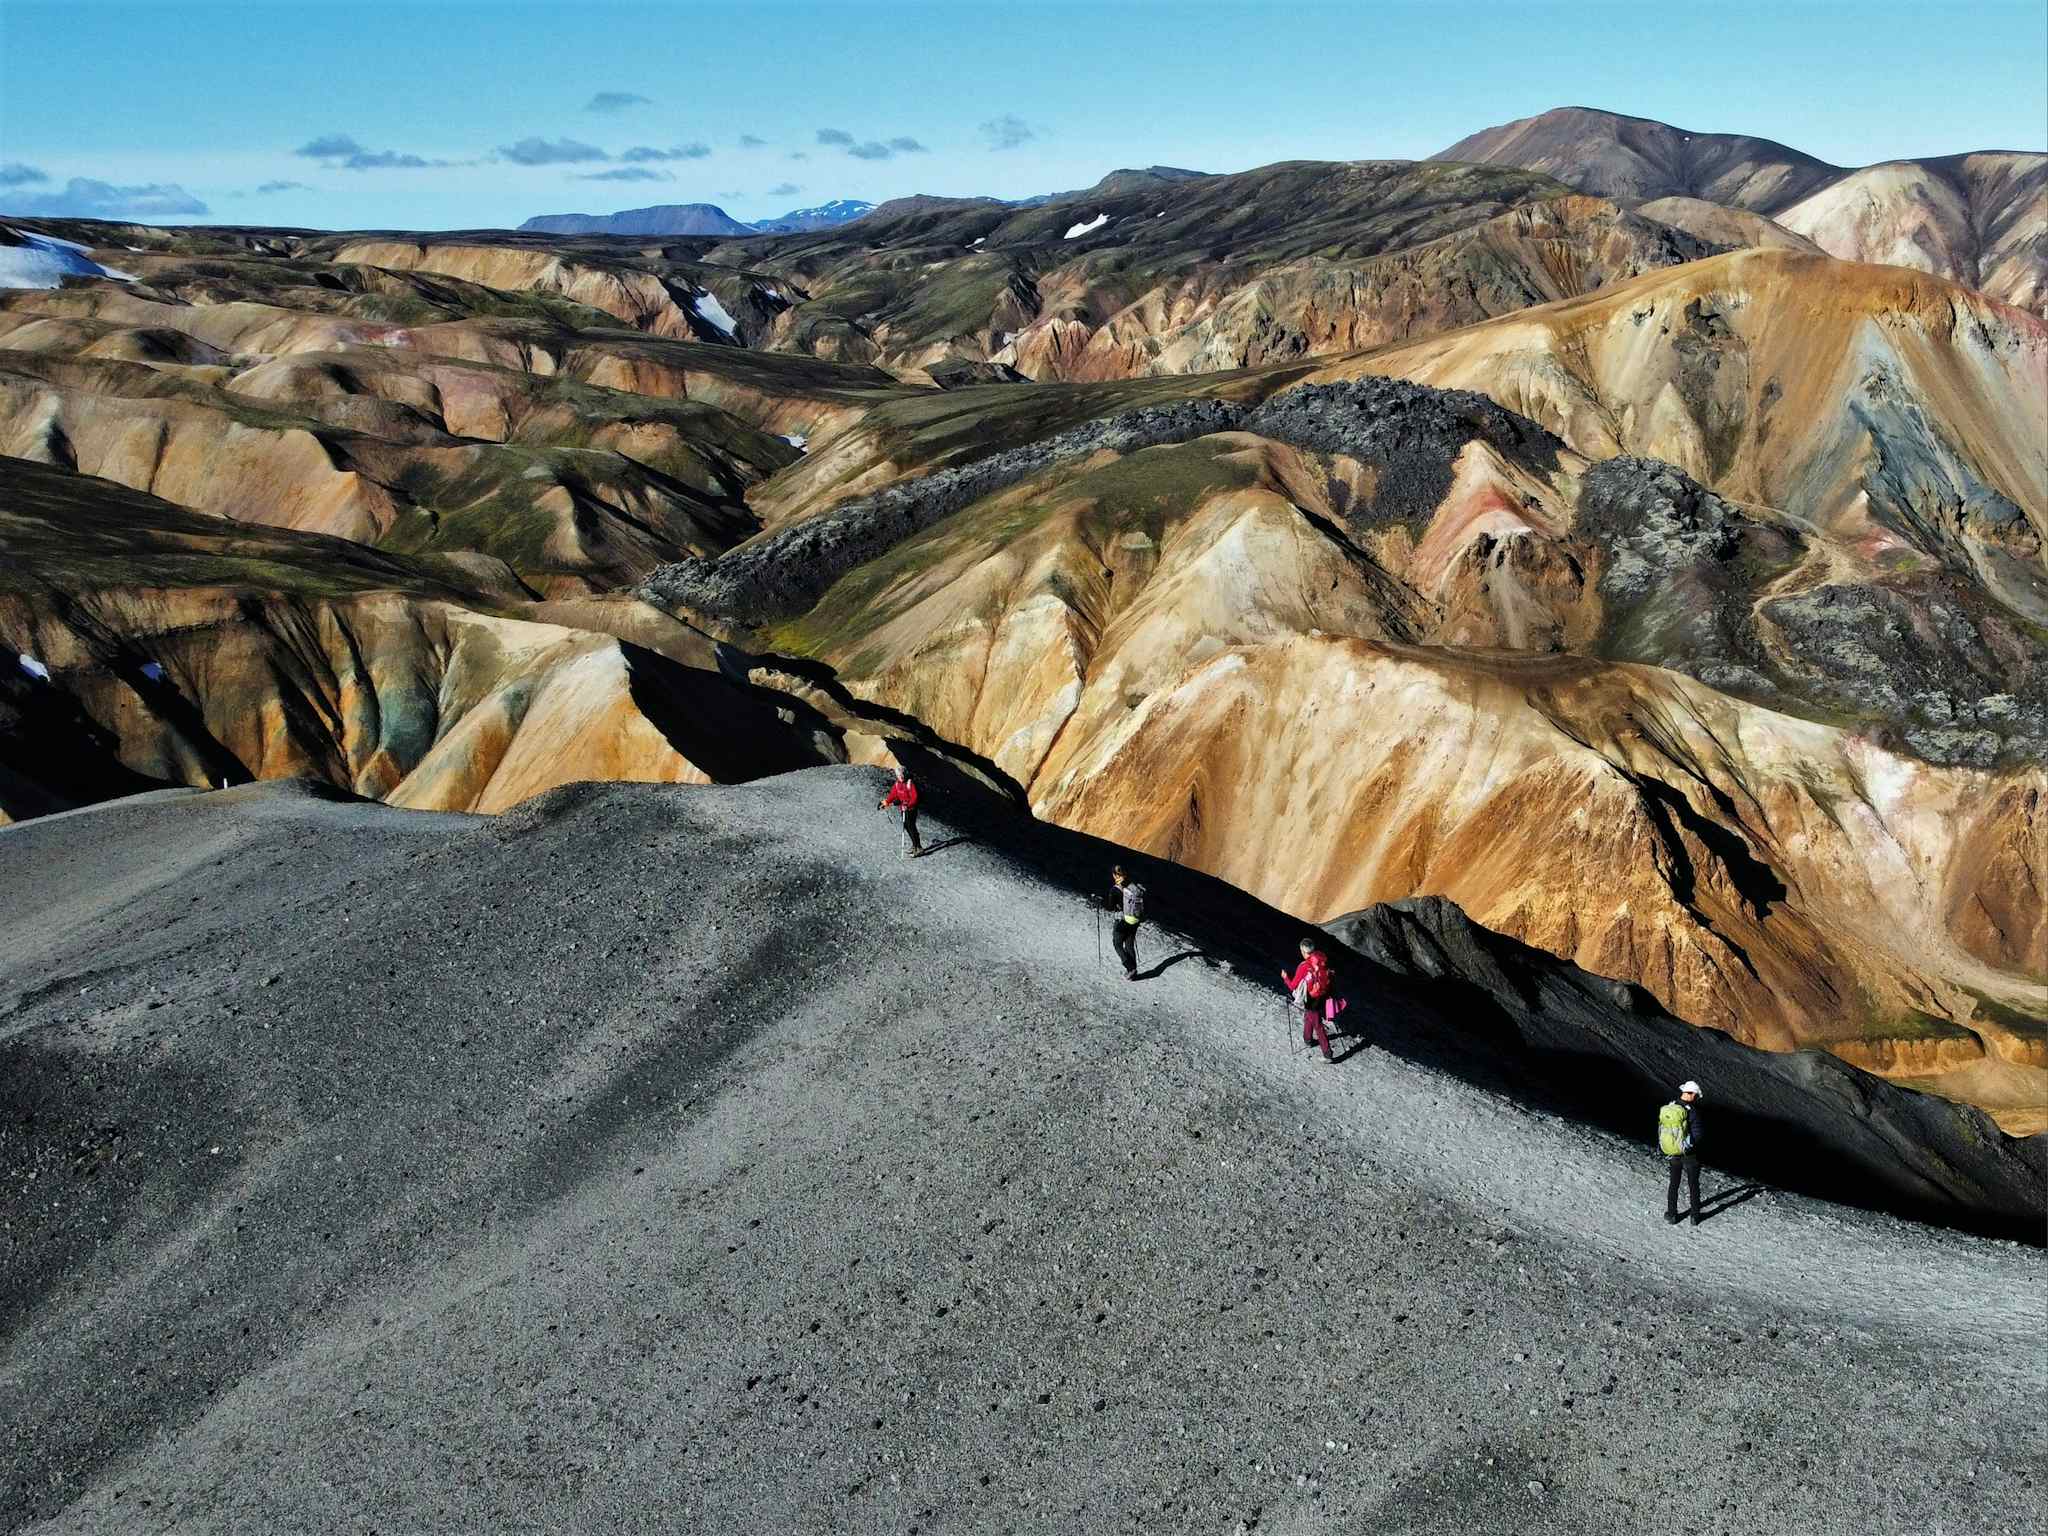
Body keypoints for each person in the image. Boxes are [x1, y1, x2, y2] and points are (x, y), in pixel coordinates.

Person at [1281, 937, 1336, 1063]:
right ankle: (1308, 1039)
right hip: (1323, 994)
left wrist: (1285, 978)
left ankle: (1328, 1054)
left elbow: (1293, 986)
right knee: (1309, 1016)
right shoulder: (1322, 959)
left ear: (1303, 951)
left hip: (1311, 998)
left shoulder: (1304, 966)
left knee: (1318, 1025)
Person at [1658, 1080, 1704, 1225]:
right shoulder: (1692, 1111)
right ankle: (1695, 1216)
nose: (1696, 1098)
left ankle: (1672, 1214)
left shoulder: (1670, 1107)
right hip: (1689, 1153)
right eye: (1695, 1095)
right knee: (1693, 1184)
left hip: (1672, 1151)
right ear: (1690, 1094)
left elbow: (1662, 1129)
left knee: (1674, 1183)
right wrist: (1689, 1146)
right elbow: (1699, 1133)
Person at [1107, 865, 1146, 979]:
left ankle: (1130, 968)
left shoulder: (1115, 889)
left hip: (1122, 920)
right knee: (1129, 944)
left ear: (1115, 875)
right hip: (1135, 919)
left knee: (1117, 943)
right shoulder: (1132, 886)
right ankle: (1133, 972)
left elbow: (1110, 907)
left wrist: (1100, 902)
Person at [879, 767, 922, 857]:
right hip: (903, 808)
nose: (900, 776)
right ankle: (915, 846)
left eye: (901, 775)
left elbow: (915, 797)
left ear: (904, 774)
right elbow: (892, 795)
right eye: (898, 775)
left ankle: (918, 848)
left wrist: (908, 805)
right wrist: (886, 802)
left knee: (911, 826)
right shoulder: (897, 784)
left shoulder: (910, 783)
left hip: (911, 809)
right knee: (906, 826)